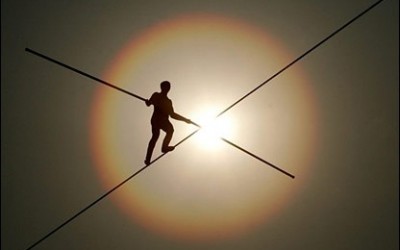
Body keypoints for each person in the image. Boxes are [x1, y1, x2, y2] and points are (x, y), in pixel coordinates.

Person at [144, 81, 191, 165]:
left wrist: (185, 120)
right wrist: (148, 102)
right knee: (155, 136)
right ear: (162, 88)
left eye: (168, 87)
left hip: (164, 120)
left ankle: (164, 147)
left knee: (170, 130)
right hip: (156, 119)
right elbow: (149, 103)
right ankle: (148, 159)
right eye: (165, 87)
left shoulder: (168, 101)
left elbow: (172, 115)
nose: (167, 89)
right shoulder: (156, 95)